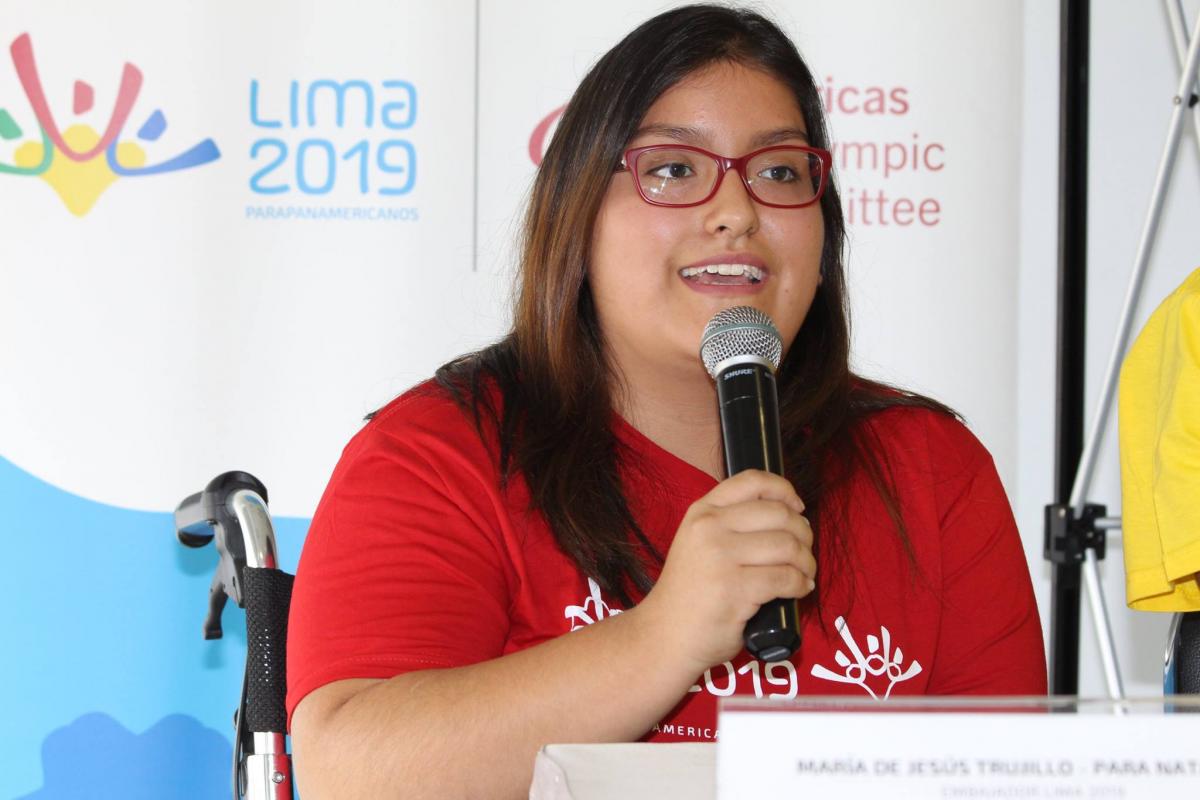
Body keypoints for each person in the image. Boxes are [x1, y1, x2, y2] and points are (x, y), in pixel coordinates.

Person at [286, 5, 1047, 797]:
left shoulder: (928, 468)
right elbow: (352, 772)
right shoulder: (442, 452)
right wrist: (661, 639)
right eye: (674, 168)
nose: (736, 212)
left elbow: (1012, 783)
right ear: (577, 214)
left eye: (780, 171)